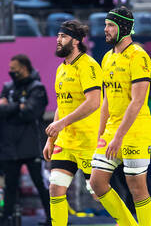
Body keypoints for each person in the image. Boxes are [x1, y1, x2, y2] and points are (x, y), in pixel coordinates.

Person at [90, 6, 151, 226]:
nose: (105, 30)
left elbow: (137, 101)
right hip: (112, 129)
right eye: (105, 25)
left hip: (136, 130)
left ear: (124, 28)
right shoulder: (107, 58)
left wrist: (118, 136)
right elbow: (106, 100)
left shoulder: (139, 56)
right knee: (97, 183)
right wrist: (101, 132)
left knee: (137, 187)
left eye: (110, 25)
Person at [43, 19, 103, 226]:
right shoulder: (62, 69)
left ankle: (127, 221)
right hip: (66, 142)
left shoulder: (88, 66)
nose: (58, 40)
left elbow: (94, 102)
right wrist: (52, 138)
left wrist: (60, 124)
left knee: (98, 193)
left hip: (88, 141)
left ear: (76, 41)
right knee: (56, 188)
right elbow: (62, 105)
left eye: (64, 37)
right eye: (58, 36)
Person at [0, 54, 51, 225]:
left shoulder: (37, 88)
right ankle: (6, 220)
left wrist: (10, 106)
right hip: (10, 145)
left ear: (24, 68)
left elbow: (31, 112)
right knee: (9, 186)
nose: (10, 72)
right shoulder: (8, 86)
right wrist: (19, 106)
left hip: (31, 144)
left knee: (41, 184)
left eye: (14, 69)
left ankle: (53, 219)